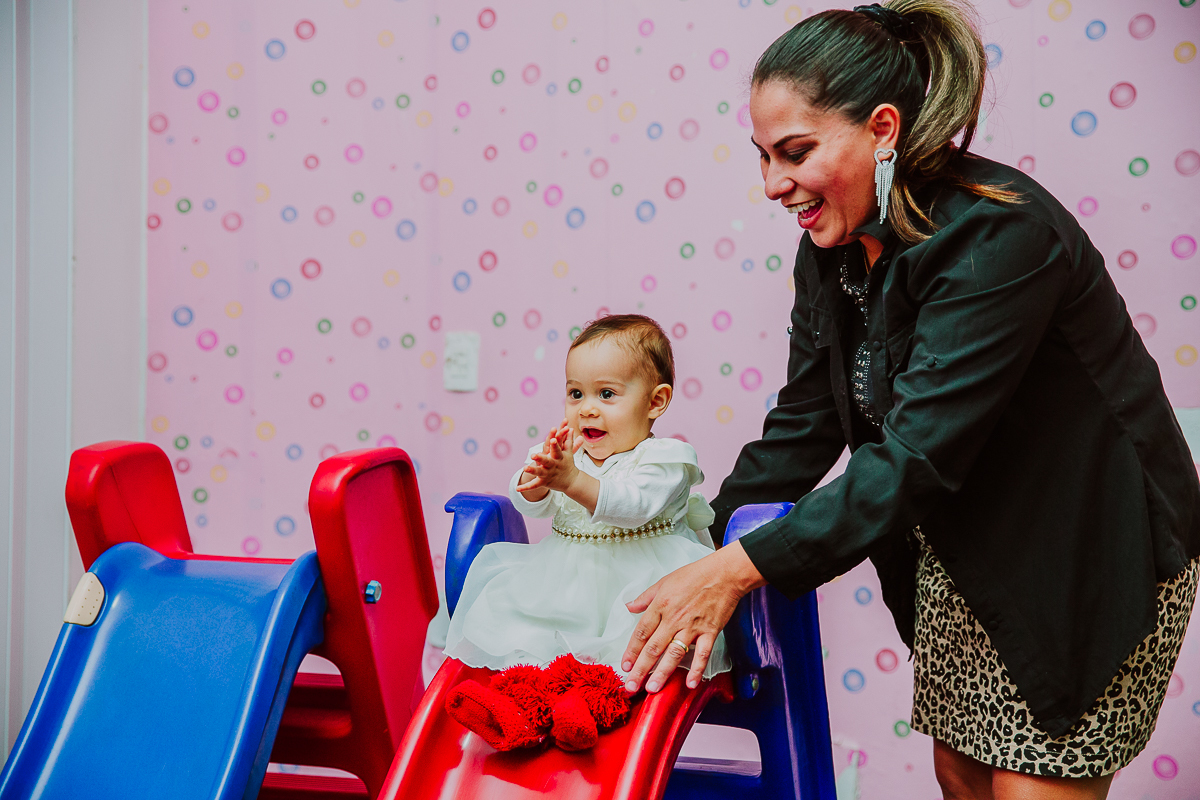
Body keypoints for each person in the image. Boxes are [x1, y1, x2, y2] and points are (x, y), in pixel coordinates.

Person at [617, 2, 1200, 798]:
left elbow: (916, 456)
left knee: (1029, 782)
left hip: (1089, 543)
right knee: (960, 772)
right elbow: (803, 425)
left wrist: (739, 570)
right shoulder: (831, 246)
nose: (772, 185)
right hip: (971, 542)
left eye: (795, 152)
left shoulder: (1001, 237)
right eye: (763, 157)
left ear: (883, 129)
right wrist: (691, 550)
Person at [443, 313, 731, 751]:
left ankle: (583, 711)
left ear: (655, 402)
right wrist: (540, 480)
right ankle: (517, 712)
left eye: (607, 394)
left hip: (637, 591)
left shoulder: (664, 460)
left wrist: (571, 480)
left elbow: (631, 506)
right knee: (532, 645)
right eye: (575, 393)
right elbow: (530, 501)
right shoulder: (566, 454)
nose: (587, 408)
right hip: (564, 584)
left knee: (620, 661)